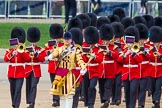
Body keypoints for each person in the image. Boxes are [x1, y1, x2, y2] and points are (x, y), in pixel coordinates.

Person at [48, 31, 87, 108]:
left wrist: (83, 67)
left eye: (68, 39)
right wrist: (51, 56)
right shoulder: (60, 49)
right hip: (61, 74)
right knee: (62, 95)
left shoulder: (75, 50)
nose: (66, 40)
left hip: (70, 74)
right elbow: (55, 54)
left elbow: (80, 60)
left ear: (71, 40)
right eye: (65, 39)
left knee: (69, 95)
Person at [4, 27, 30, 108]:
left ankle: (16, 105)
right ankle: (14, 103)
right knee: (13, 90)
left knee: (18, 90)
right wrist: (12, 54)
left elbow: (27, 59)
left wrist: (21, 51)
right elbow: (5, 59)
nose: (16, 45)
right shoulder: (9, 51)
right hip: (11, 73)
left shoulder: (23, 50)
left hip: (20, 73)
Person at [118, 26, 142, 108]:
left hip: (135, 73)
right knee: (127, 92)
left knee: (133, 91)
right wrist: (125, 54)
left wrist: (133, 53)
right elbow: (119, 60)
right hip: (125, 73)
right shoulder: (124, 50)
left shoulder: (137, 49)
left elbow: (140, 60)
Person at [42, 23, 64, 107]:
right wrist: (49, 52)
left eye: (58, 37)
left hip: (61, 66)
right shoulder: (49, 45)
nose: (56, 39)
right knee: (54, 83)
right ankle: (55, 100)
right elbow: (44, 53)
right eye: (55, 37)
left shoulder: (63, 44)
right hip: (52, 67)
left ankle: (61, 98)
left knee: (61, 83)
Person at [82, 26, 104, 108]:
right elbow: (83, 60)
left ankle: (91, 104)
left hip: (95, 71)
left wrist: (94, 57)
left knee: (92, 87)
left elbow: (100, 59)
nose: (91, 44)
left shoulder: (99, 49)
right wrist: (84, 55)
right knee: (86, 87)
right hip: (87, 70)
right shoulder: (85, 48)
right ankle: (87, 102)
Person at [99, 24, 119, 108]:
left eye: (107, 40)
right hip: (101, 70)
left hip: (110, 69)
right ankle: (103, 100)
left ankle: (106, 100)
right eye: (104, 40)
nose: (105, 41)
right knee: (101, 86)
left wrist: (109, 52)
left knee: (108, 86)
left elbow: (116, 55)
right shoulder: (99, 45)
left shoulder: (113, 46)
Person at [24, 27, 45, 108]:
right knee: (28, 86)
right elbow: (25, 59)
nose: (33, 43)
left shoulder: (40, 49)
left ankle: (32, 103)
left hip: (36, 70)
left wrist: (36, 54)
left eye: (34, 41)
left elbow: (42, 59)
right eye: (31, 41)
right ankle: (29, 101)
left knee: (33, 85)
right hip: (28, 69)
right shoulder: (26, 49)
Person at [149, 26, 162, 108]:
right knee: (153, 87)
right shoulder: (150, 49)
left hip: (160, 71)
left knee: (158, 87)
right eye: (154, 42)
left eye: (156, 42)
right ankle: (155, 102)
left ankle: (157, 100)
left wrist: (160, 55)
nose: (155, 43)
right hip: (152, 70)